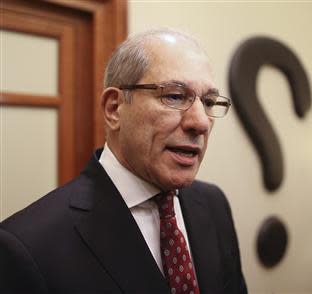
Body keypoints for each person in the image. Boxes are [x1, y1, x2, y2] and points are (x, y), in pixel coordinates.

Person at [0, 28, 247, 294]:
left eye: (209, 102)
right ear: (114, 108)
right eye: (174, 96)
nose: (200, 122)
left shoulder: (213, 203)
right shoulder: (27, 247)